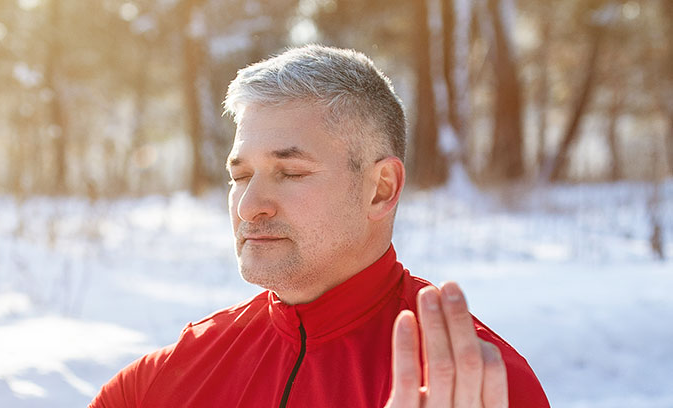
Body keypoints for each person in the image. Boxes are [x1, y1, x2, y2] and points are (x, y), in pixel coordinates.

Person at [89, 45, 549, 408]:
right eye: (240, 176)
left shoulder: (480, 385)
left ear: (380, 189)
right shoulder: (171, 379)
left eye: (290, 173)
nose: (249, 207)